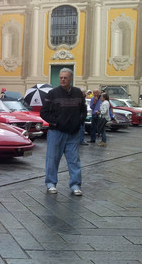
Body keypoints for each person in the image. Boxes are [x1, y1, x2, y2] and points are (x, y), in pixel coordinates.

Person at [40, 68, 86, 196]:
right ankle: (51, 184)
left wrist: (79, 122)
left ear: (70, 78)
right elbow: (44, 113)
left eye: (65, 77)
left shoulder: (77, 93)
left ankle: (76, 185)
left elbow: (83, 110)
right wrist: (56, 122)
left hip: (73, 133)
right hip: (56, 132)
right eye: (61, 77)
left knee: (74, 160)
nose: (62, 79)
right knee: (52, 159)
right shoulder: (52, 93)